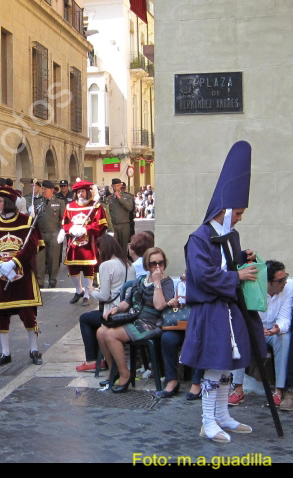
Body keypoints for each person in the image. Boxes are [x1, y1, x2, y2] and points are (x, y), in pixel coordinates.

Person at [180, 141, 265, 443]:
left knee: (228, 366)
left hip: (229, 310)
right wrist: (236, 274)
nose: (241, 217)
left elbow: (228, 264)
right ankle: (207, 420)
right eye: (238, 212)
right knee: (214, 367)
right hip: (211, 311)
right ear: (226, 210)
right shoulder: (199, 238)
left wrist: (244, 260)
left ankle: (223, 416)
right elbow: (203, 276)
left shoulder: (231, 235)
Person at [0, 185, 44, 366]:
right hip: (1, 275)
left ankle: (34, 349)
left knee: (28, 313)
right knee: (2, 314)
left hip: (23, 274)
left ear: (8, 203)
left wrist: (14, 263)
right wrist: (1, 265)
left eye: (0, 201)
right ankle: (5, 352)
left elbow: (32, 247)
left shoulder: (27, 221)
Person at [97, 247, 174, 393]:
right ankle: (115, 369)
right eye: (153, 264)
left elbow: (159, 306)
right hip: (135, 317)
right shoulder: (141, 280)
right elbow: (128, 301)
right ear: (147, 265)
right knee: (101, 332)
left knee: (111, 335)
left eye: (161, 263)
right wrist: (117, 309)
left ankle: (125, 374)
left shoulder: (166, 282)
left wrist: (157, 282)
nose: (157, 267)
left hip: (151, 323)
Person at [230, 260, 291, 408]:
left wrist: (278, 328)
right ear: (268, 282)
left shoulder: (289, 288)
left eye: (285, 277)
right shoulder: (253, 288)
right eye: (280, 280)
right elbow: (247, 316)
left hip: (273, 331)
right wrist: (257, 329)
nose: (284, 282)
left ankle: (278, 391)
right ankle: (237, 388)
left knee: (284, 337)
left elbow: (285, 317)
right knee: (241, 335)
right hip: (255, 329)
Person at [76, 234, 135, 373]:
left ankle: (92, 360)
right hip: (127, 312)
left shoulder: (106, 265)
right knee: (91, 318)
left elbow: (104, 295)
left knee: (84, 319)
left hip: (112, 313)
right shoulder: (129, 264)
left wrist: (91, 291)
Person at [156, 270, 204, 400]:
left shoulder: (204, 284)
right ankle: (171, 380)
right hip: (178, 324)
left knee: (200, 338)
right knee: (167, 338)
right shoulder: (177, 284)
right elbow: (163, 304)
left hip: (197, 326)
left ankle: (197, 382)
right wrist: (171, 301)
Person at [63, 180, 107, 306]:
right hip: (74, 242)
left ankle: (87, 294)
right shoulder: (70, 206)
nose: (80, 194)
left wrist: (85, 229)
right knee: (72, 267)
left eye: (83, 191)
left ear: (87, 192)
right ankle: (79, 291)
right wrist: (70, 229)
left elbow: (100, 223)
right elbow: (65, 222)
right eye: (78, 192)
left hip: (89, 243)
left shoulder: (96, 206)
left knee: (89, 267)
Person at [35, 180, 65, 288]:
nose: (43, 191)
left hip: (54, 233)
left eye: (45, 189)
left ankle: (52, 280)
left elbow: (63, 219)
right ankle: (40, 281)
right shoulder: (38, 202)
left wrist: (62, 231)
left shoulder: (59, 202)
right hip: (40, 234)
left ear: (52, 190)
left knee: (53, 258)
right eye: (42, 189)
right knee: (40, 259)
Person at [106, 178, 134, 254]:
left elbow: (129, 208)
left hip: (124, 225)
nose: (116, 188)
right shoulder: (109, 198)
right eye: (114, 186)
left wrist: (120, 198)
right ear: (112, 186)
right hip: (114, 226)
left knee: (123, 248)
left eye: (118, 186)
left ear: (121, 186)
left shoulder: (127, 196)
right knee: (114, 247)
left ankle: (124, 263)